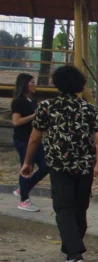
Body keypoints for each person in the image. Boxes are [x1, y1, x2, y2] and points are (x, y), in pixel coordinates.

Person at [21, 65, 98, 262]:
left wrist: (27, 162)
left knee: (63, 208)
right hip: (84, 166)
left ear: (57, 84)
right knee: (80, 208)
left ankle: (73, 253)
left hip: (59, 165)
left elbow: (36, 137)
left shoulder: (46, 106)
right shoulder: (90, 109)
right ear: (80, 84)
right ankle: (73, 251)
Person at [11, 73, 48, 212]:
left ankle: (23, 190)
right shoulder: (18, 101)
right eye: (32, 82)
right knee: (27, 167)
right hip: (23, 140)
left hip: (35, 139)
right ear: (25, 84)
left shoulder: (32, 101)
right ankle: (24, 200)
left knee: (46, 165)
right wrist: (34, 115)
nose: (34, 84)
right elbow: (16, 122)